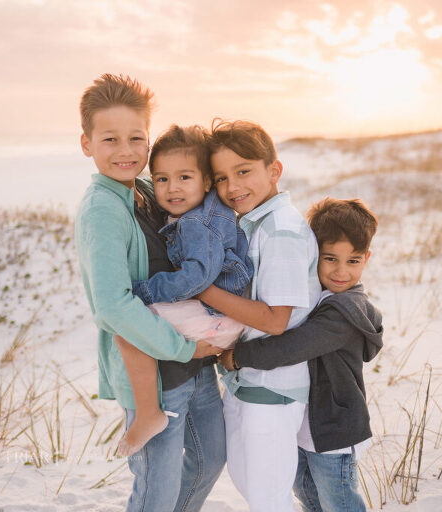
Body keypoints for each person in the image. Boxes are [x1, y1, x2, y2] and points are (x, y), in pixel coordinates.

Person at [74, 73, 223, 512]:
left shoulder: (144, 190)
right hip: (158, 372)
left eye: (136, 138)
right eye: (110, 140)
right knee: (155, 490)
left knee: (211, 458)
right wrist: (184, 348)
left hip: (194, 364)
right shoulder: (101, 209)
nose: (125, 151)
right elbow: (113, 306)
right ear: (87, 144)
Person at [219, 198, 383, 512]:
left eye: (353, 261)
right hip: (308, 428)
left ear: (367, 259)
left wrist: (240, 356)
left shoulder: (344, 311)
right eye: (330, 258)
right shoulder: (319, 298)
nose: (340, 271)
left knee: (340, 503)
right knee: (311, 500)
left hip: (334, 432)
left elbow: (294, 346)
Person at [196, 119, 322, 511]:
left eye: (244, 171)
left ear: (274, 170)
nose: (232, 187)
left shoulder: (281, 230)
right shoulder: (255, 224)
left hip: (273, 388)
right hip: (246, 381)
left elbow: (274, 319)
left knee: (268, 499)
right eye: (221, 178)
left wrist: (200, 288)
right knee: (252, 486)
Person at [115, 124, 254, 457]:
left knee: (131, 324)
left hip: (220, 316)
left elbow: (197, 278)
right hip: (224, 314)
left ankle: (148, 413)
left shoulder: (195, 224)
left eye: (184, 178)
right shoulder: (206, 210)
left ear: (206, 181)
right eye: (161, 179)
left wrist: (145, 291)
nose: (171, 188)